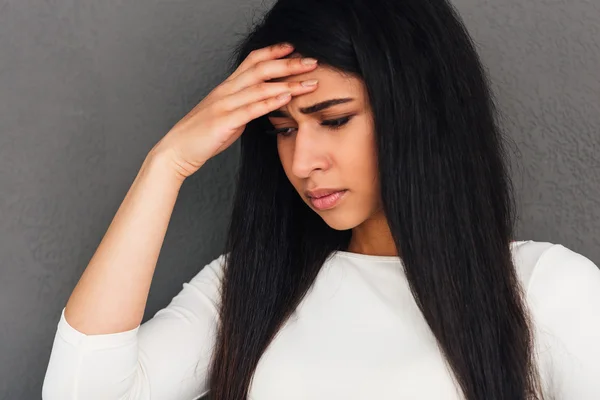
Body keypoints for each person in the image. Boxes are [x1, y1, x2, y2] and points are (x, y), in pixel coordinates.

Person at [41, 0, 600, 399]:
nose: (303, 161)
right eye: (282, 129)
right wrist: (167, 164)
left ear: (419, 112)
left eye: (333, 119)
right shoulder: (247, 288)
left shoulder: (546, 290)